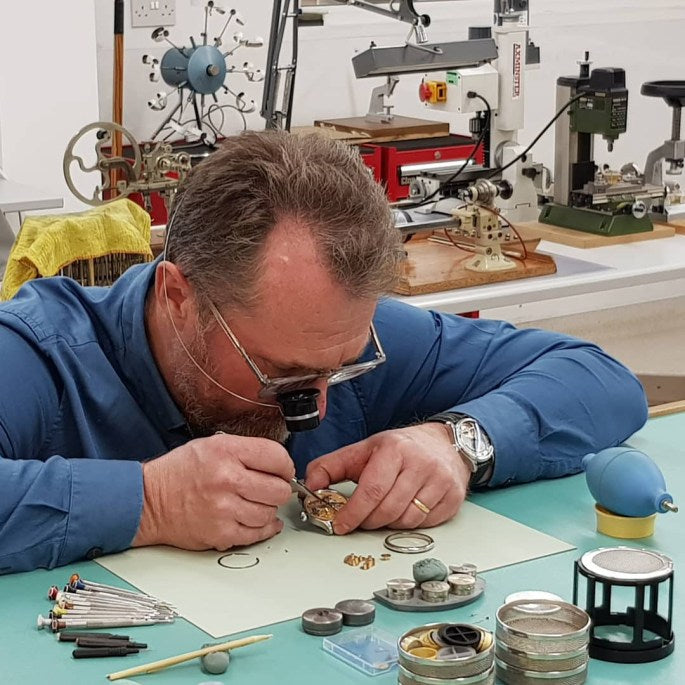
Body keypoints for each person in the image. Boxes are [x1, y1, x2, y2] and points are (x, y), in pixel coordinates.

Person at [0, 131, 647, 574]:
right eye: (280, 374)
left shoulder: (333, 335)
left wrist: (457, 443)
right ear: (177, 297)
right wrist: (147, 502)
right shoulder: (35, 353)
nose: (317, 404)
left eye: (341, 366)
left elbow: (600, 380)